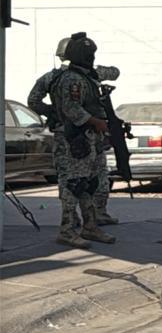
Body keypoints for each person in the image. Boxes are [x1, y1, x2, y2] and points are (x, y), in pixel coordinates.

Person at [29, 37, 122, 227]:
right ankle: (72, 222)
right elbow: (113, 72)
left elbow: (34, 101)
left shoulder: (79, 74)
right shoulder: (65, 77)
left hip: (90, 134)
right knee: (73, 179)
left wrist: (52, 112)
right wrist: (57, 113)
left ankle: (93, 217)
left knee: (94, 176)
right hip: (72, 134)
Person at [49, 32, 116, 248]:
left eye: (92, 53)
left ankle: (90, 226)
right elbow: (71, 108)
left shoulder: (87, 76)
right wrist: (95, 122)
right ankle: (67, 230)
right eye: (88, 54)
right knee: (74, 183)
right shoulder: (71, 79)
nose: (91, 58)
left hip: (90, 137)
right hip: (75, 137)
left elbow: (114, 73)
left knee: (90, 183)